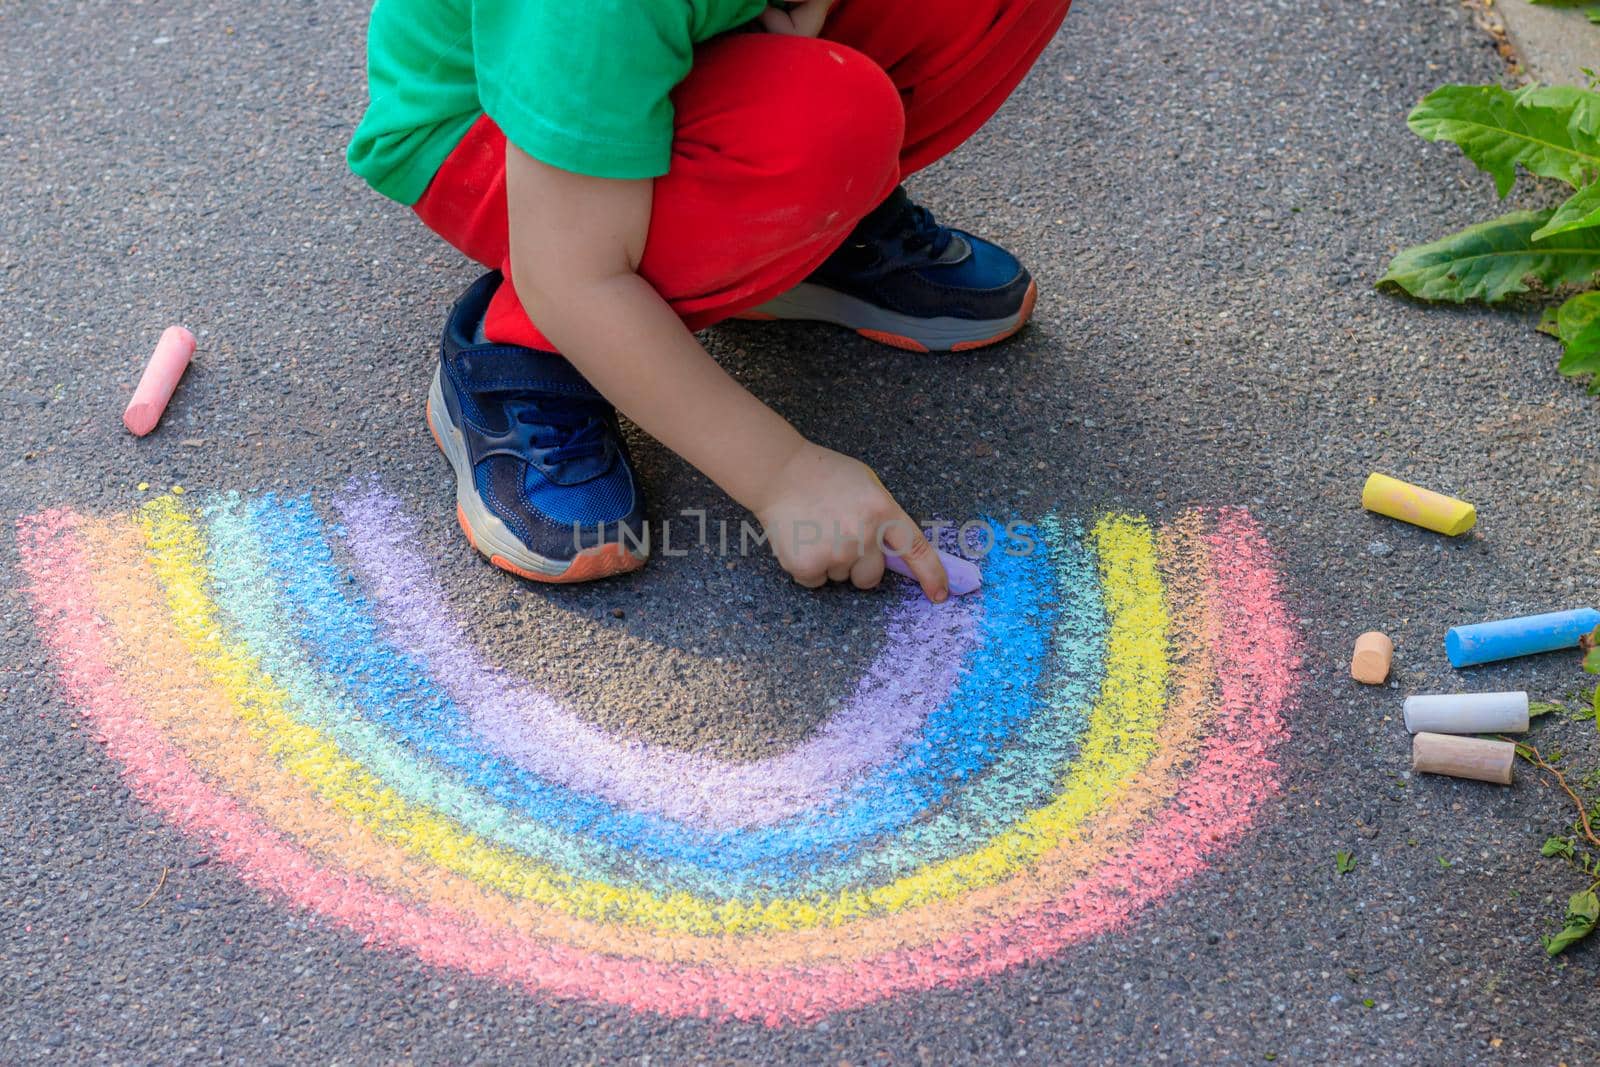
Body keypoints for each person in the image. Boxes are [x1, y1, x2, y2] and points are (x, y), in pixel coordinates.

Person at [347, 0, 1071, 601]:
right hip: (496, 132)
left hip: (651, 47)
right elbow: (572, 276)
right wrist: (782, 474)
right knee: (828, 122)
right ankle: (526, 343)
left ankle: (789, 237)